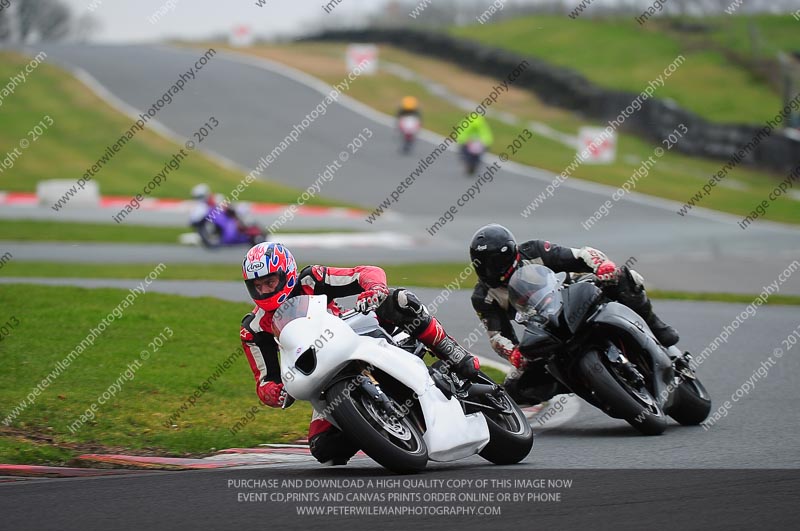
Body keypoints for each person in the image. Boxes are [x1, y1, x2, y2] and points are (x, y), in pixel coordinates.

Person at [239, 242, 480, 465]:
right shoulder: (253, 328)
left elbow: (365, 272)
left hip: (353, 333)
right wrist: (275, 392)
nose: (264, 290)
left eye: (269, 282)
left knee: (400, 300)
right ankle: (373, 426)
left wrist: (373, 289)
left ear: (286, 274)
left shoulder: (311, 280)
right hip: (321, 372)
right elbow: (265, 381)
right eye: (257, 286)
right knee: (323, 449)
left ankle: (451, 351)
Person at [468, 223, 679, 406]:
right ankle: (582, 384)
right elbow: (497, 335)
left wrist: (602, 266)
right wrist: (514, 353)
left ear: (510, 253)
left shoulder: (534, 250)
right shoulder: (483, 296)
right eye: (482, 264)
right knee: (515, 387)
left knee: (625, 277)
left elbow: (581, 255)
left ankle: (656, 326)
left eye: (494, 262)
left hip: (577, 295)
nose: (489, 270)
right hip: (545, 324)